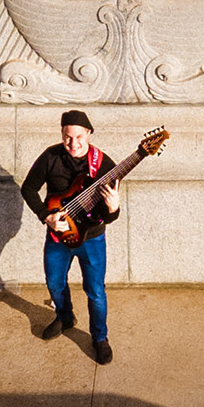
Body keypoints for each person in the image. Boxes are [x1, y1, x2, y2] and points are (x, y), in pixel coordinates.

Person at [20, 110, 120, 364]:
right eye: (67, 137)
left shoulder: (104, 165)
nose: (73, 143)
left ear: (89, 134)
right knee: (54, 283)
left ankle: (99, 337)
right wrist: (45, 215)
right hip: (58, 235)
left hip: (92, 239)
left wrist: (113, 208)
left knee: (95, 290)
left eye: (79, 137)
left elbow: (110, 217)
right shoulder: (50, 156)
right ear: (61, 135)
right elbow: (28, 188)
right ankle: (65, 317)